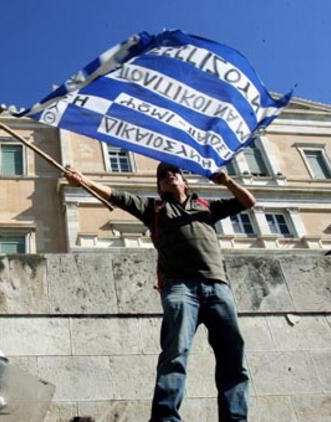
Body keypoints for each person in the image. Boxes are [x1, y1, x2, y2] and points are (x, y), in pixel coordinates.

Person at [65, 162, 254, 422]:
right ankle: (166, 418)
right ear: (159, 186)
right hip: (179, 288)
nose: (169, 176)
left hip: (218, 286)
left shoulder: (207, 207)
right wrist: (83, 179)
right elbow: (119, 197)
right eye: (163, 175)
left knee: (233, 356)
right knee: (175, 352)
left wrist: (228, 182)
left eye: (174, 172)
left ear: (185, 181)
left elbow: (248, 202)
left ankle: (235, 418)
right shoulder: (154, 208)